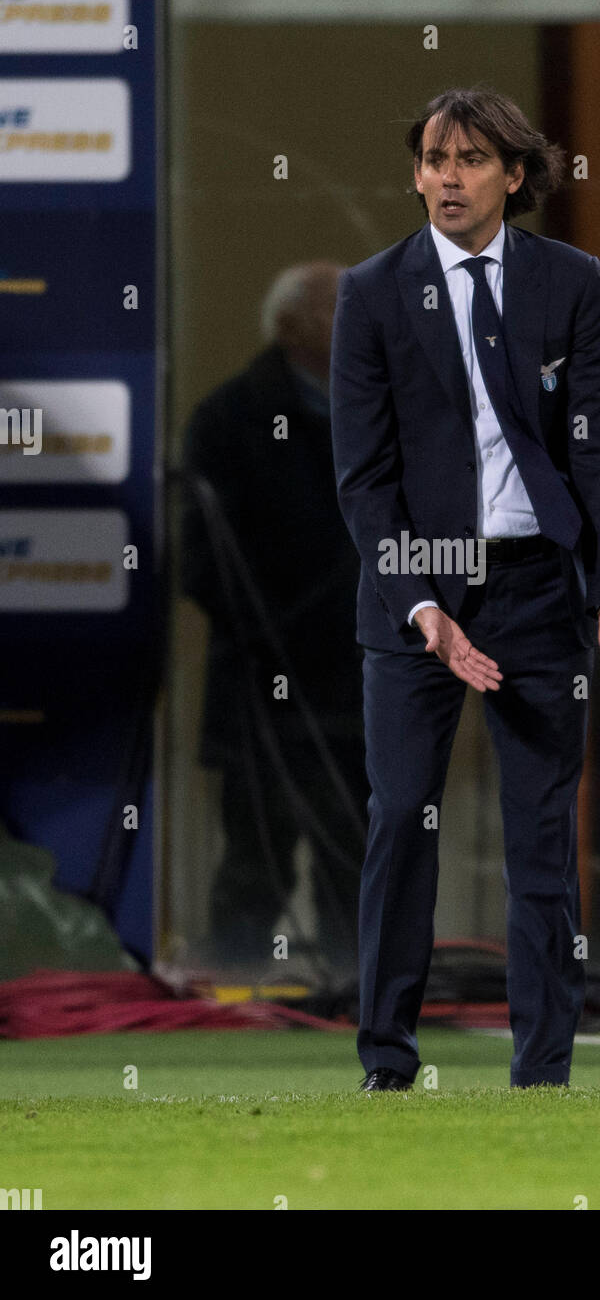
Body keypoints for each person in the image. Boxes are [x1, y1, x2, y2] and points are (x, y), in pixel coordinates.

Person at [330, 87, 600, 1090]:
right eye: (433, 158)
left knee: (542, 840)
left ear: (514, 175)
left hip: (534, 592)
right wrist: (423, 607)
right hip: (415, 594)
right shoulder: (372, 292)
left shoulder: (569, 283)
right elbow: (364, 481)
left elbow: (597, 452)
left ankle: (541, 1077)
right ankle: (385, 1064)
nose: (447, 178)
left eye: (470, 159)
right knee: (399, 825)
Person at [181, 262, 367, 977]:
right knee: (255, 864)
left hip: (360, 690)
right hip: (264, 693)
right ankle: (234, 1001)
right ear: (296, 328)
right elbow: (204, 566)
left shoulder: (394, 413)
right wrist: (287, 626)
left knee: (354, 859)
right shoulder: (229, 419)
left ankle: (361, 1001)